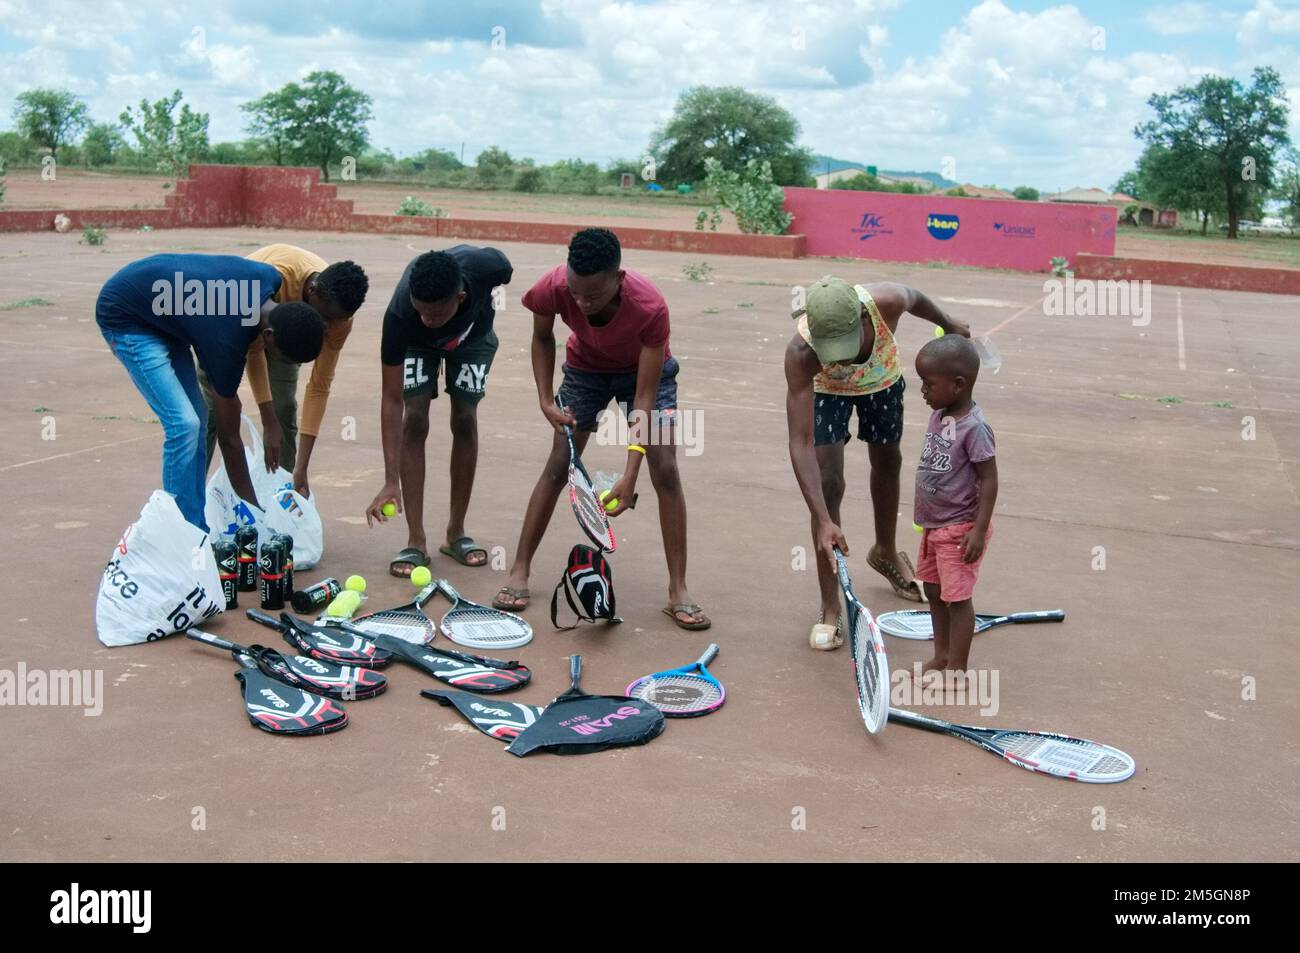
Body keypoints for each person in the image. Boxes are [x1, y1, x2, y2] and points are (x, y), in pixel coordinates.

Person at [493, 227, 708, 630]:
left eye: (592, 295)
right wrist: (544, 399)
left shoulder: (649, 308)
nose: (581, 302)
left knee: (665, 468)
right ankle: (519, 570)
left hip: (645, 375)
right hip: (585, 370)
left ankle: (678, 590)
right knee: (558, 465)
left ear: (618, 280)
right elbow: (542, 338)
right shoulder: (553, 287)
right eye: (575, 292)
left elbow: (644, 398)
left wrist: (630, 475)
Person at [785, 276, 969, 650]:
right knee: (829, 481)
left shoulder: (885, 302)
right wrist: (823, 519)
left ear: (862, 320)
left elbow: (916, 296)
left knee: (888, 462)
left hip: (881, 380)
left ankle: (884, 551)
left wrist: (949, 323)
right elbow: (800, 441)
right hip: (827, 393)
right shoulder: (802, 354)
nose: (836, 356)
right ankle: (830, 606)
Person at [96, 253, 325, 530]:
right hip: (127, 315)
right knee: (184, 424)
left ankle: (195, 523)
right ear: (268, 336)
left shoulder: (269, 277)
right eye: (279, 355)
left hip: (168, 316)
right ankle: (178, 531)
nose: (272, 359)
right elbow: (230, 440)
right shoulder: (224, 339)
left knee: (200, 419)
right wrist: (257, 515)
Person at [364, 246, 513, 575]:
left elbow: (504, 272)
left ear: (460, 297)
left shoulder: (490, 267)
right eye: (422, 312)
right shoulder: (401, 316)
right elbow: (391, 400)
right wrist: (391, 481)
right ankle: (416, 540)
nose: (427, 320)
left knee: (465, 419)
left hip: (473, 339)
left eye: (435, 314)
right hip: (417, 346)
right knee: (414, 418)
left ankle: (455, 533)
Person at [197, 243, 368, 498]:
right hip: (232, 321)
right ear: (311, 292)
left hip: (290, 336)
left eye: (335, 322)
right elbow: (254, 350)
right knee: (211, 412)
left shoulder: (339, 316)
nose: (327, 328)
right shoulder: (276, 277)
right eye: (324, 319)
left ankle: (285, 494)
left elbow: (320, 386)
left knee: (284, 408)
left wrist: (303, 467)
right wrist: (267, 420)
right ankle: (190, 500)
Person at [912, 334, 998, 675]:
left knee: (957, 599)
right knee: (934, 592)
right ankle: (942, 655)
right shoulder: (941, 413)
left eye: (928, 384)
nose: (922, 391)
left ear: (958, 385)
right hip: (934, 525)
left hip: (960, 529)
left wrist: (978, 530)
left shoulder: (975, 428)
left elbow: (989, 479)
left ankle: (957, 670)